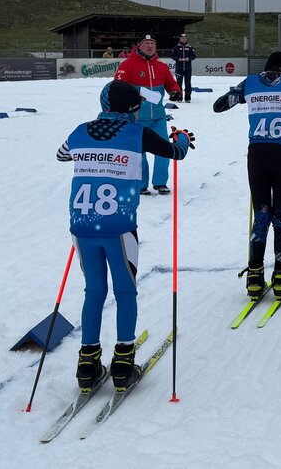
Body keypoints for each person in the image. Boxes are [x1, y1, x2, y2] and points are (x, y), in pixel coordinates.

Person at [58, 80, 193, 392]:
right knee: (125, 291)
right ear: (135, 108)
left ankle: (87, 364)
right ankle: (122, 362)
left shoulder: (81, 130)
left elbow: (62, 155)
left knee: (93, 292)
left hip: (81, 226)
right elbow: (175, 152)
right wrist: (183, 137)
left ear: (104, 104)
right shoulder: (137, 132)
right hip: (119, 227)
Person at [213, 51, 281, 299]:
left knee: (261, 215)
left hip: (257, 155)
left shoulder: (251, 82)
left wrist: (242, 94)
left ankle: (254, 275)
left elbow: (219, 106)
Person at [113, 35, 182, 194]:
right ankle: (141, 184)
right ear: (139, 47)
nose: (150, 46)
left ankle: (160, 183)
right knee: (139, 153)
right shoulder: (128, 64)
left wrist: (176, 91)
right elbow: (118, 86)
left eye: (152, 43)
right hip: (137, 118)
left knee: (164, 149)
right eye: (147, 43)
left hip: (158, 117)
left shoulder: (161, 67)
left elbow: (171, 84)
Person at [172, 33, 197, 102]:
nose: (183, 39)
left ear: (186, 39)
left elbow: (194, 56)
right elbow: (172, 55)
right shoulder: (176, 47)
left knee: (188, 83)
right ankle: (179, 98)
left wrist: (189, 58)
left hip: (188, 69)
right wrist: (178, 59)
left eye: (185, 37)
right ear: (180, 39)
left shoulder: (190, 47)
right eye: (182, 37)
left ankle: (187, 98)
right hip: (179, 69)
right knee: (178, 83)